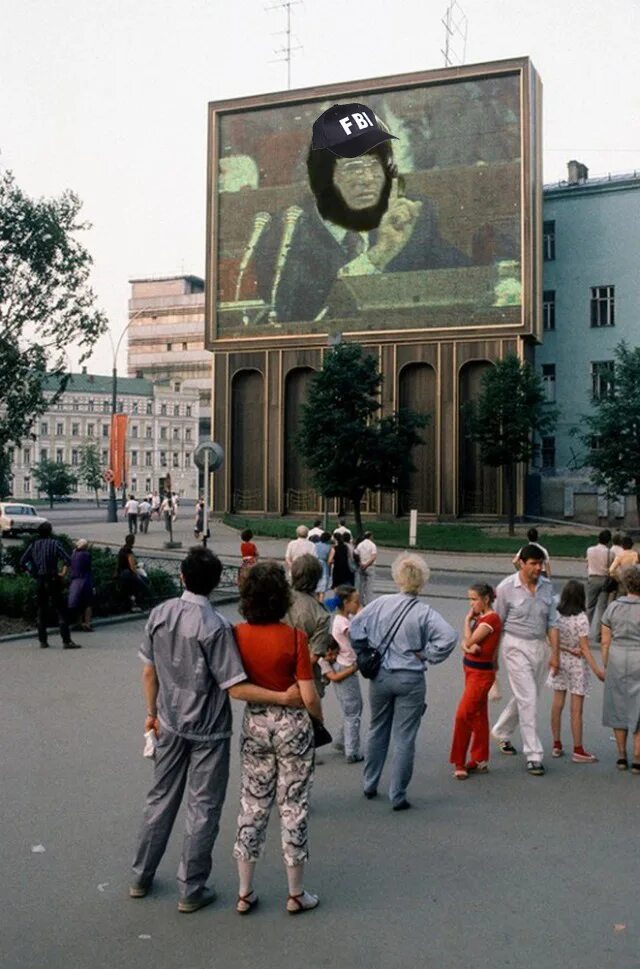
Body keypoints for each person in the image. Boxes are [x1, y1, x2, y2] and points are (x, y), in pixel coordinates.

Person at [130, 547, 304, 912]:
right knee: (203, 807)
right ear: (213, 585)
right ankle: (191, 888)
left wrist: (152, 713)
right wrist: (283, 697)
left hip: (170, 721)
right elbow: (234, 686)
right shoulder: (217, 627)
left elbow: (149, 671)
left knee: (159, 799)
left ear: (181, 575)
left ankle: (141, 875)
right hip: (208, 730)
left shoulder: (159, 614)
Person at [254, 143, 470, 325]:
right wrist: (377, 255)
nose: (368, 178)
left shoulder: (406, 216)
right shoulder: (286, 232)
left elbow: (464, 279)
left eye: (375, 165)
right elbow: (297, 315)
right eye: (353, 167)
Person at [232, 561, 324, 915]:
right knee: (293, 805)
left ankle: (244, 891)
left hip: (255, 724)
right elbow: (308, 693)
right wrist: (316, 718)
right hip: (292, 727)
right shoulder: (295, 639)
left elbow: (235, 689)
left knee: (252, 804)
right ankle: (296, 893)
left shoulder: (237, 635)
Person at [350, 553, 457, 810]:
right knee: (405, 737)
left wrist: (365, 649)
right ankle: (397, 794)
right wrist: (429, 654)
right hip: (410, 678)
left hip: (381, 676)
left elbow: (356, 627)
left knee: (377, 729)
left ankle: (369, 783)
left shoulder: (380, 604)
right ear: (422, 582)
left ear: (397, 578)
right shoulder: (424, 612)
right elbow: (449, 637)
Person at [491, 544, 560, 776]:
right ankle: (534, 755)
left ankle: (501, 730)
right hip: (515, 645)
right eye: (533, 564)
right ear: (521, 563)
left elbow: (552, 623)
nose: (538, 568)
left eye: (541, 564)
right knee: (528, 698)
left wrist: (556, 655)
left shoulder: (547, 587)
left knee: (527, 696)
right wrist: (493, 659)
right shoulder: (506, 588)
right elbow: (495, 625)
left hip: (540, 646)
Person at [546, 579, 605, 763]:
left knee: (557, 703)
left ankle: (556, 744)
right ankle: (578, 749)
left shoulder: (556, 614)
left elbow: (550, 639)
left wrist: (564, 649)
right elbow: (585, 648)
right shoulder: (581, 617)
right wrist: (597, 670)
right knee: (576, 710)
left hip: (559, 660)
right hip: (577, 665)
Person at [449, 583, 501, 779]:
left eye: (474, 599)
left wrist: (466, 638)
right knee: (478, 715)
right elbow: (468, 644)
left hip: (480, 674)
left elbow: (469, 643)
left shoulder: (490, 619)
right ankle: (479, 758)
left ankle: (459, 761)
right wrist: (468, 644)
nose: (471, 604)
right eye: (470, 599)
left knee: (463, 715)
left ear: (485, 599)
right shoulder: (481, 618)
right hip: (472, 670)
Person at [600, 564, 640, 773]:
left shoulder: (613, 607)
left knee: (618, 705)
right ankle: (637, 757)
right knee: (638, 707)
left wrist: (607, 664)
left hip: (617, 656)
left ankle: (621, 755)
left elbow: (605, 641)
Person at [20, 522, 80, 649]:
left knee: (41, 610)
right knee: (61, 609)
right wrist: (62, 572)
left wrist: (33, 572)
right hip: (53, 578)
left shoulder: (33, 545)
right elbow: (67, 559)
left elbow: (23, 561)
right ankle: (66, 640)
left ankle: (43, 640)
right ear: (50, 532)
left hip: (40, 579)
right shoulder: (54, 544)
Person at [324, 585, 363, 762]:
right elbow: (357, 637)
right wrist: (362, 614)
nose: (358, 604)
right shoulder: (344, 623)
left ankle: (342, 741)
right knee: (353, 710)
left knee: (350, 708)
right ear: (346, 603)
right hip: (347, 667)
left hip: (342, 665)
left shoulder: (340, 619)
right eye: (356, 601)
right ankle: (351, 751)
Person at [284, 554, 332, 699]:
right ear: (317, 579)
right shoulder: (320, 614)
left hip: (273, 676)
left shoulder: (278, 598)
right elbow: (313, 657)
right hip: (303, 683)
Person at [586, 529, 612, 642]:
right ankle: (598, 635)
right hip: (605, 580)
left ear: (598, 539)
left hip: (592, 578)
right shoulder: (610, 553)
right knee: (602, 608)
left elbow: (587, 563)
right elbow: (611, 568)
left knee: (589, 607)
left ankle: (585, 633)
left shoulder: (590, 550)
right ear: (609, 541)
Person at [68, 538, 95, 632]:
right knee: (88, 602)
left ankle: (79, 623)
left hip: (75, 580)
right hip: (86, 579)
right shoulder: (86, 554)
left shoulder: (73, 554)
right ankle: (87, 623)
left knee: (77, 602)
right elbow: (88, 566)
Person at [117, 534, 148, 610]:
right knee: (144, 584)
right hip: (128, 574)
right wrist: (136, 574)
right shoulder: (129, 551)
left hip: (121, 574)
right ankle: (140, 604)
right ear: (133, 541)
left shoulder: (122, 550)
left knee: (129, 590)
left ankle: (130, 605)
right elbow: (132, 566)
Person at [354, 531, 377, 606]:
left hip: (361, 566)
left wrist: (360, 563)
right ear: (370, 537)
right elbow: (373, 557)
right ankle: (369, 603)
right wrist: (367, 564)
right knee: (369, 586)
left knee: (361, 585)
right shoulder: (372, 545)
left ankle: (361, 601)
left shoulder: (360, 544)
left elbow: (356, 554)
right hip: (370, 567)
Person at [314, 531, 334, 601]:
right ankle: (321, 604)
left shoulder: (315, 545)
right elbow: (329, 561)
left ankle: (315, 604)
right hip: (324, 567)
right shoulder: (330, 547)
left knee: (315, 589)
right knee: (322, 591)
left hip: (315, 565)